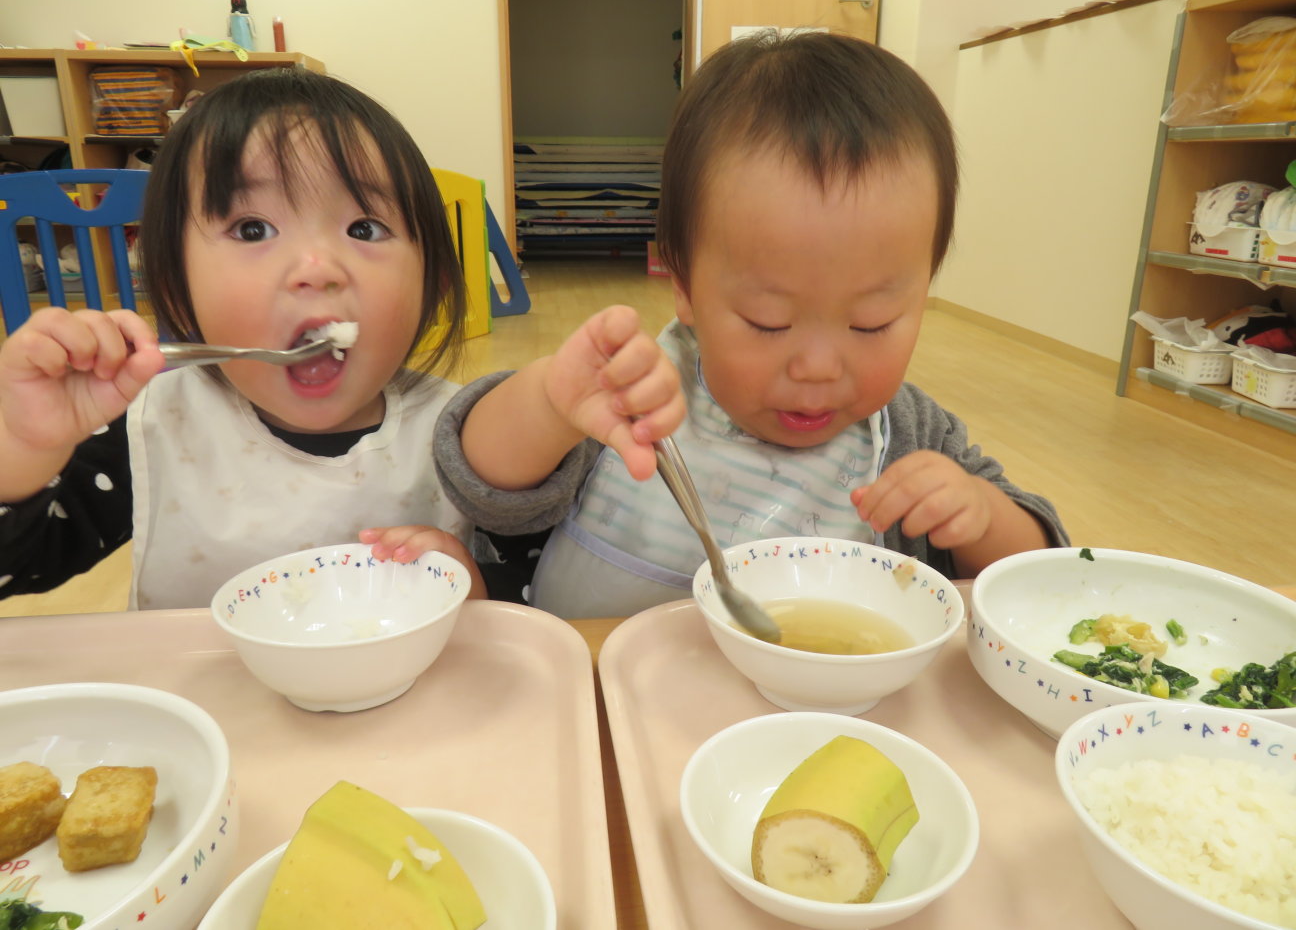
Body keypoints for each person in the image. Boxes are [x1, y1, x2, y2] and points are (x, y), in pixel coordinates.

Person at [435, 31, 1068, 619]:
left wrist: (984, 518)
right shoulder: (634, 396)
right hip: (596, 695)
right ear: (683, 283)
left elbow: (1039, 573)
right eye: (768, 322)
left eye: (872, 322)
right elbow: (479, 485)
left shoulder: (910, 436)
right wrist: (550, 403)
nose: (818, 366)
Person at [0, 67, 674, 609]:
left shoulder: (462, 440)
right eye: (253, 230)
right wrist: (24, 445)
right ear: (174, 283)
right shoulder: (155, 428)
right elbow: (18, 569)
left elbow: (531, 593)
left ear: (434, 283)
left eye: (363, 229)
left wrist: (475, 590)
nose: (316, 270)